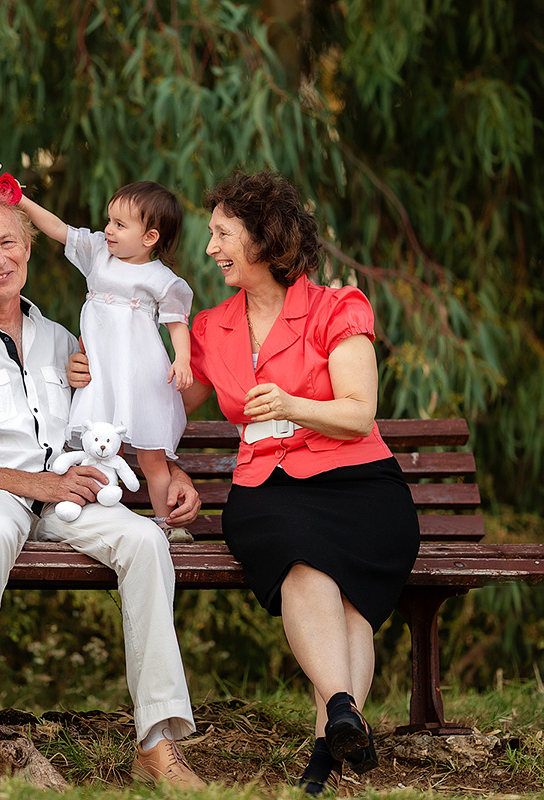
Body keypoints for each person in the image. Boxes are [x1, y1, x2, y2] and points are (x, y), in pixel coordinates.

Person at [0, 185, 205, 787]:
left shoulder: (63, 341)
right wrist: (34, 482)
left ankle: (157, 742)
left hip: (58, 496)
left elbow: (126, 411)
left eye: (8, 241)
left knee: (145, 541)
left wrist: (171, 469)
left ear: (29, 247)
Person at [166, 169, 419, 790]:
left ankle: (328, 738)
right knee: (304, 566)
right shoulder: (212, 327)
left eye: (222, 233)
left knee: (352, 603)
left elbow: (360, 412)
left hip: (361, 485)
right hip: (267, 492)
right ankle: (338, 720)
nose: (211, 248)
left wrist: (289, 405)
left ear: (263, 237)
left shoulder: (338, 307)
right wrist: (94, 363)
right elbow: (174, 398)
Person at [18, 182, 195, 542]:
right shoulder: (98, 253)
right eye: (109, 220)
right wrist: (18, 199)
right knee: (93, 443)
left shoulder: (161, 278)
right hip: (101, 372)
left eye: (120, 224)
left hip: (140, 373)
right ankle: (89, 514)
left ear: (150, 237)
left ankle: (168, 525)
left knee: (151, 456)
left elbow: (177, 323)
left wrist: (183, 360)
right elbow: (56, 227)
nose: (108, 230)